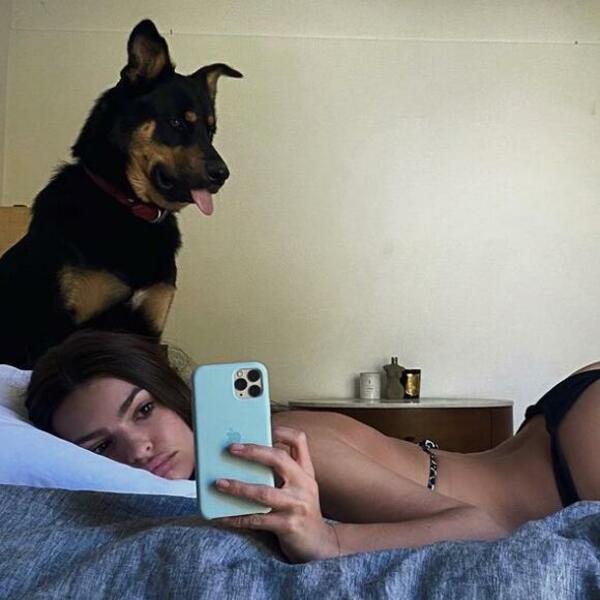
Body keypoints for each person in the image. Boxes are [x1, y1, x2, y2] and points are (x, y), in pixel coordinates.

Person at [25, 330, 600, 563]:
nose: (139, 449)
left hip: (567, 466)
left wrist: (330, 539)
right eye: (102, 448)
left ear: (176, 397)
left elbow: (483, 526)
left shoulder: (278, 452)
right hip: (548, 435)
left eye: (144, 410)